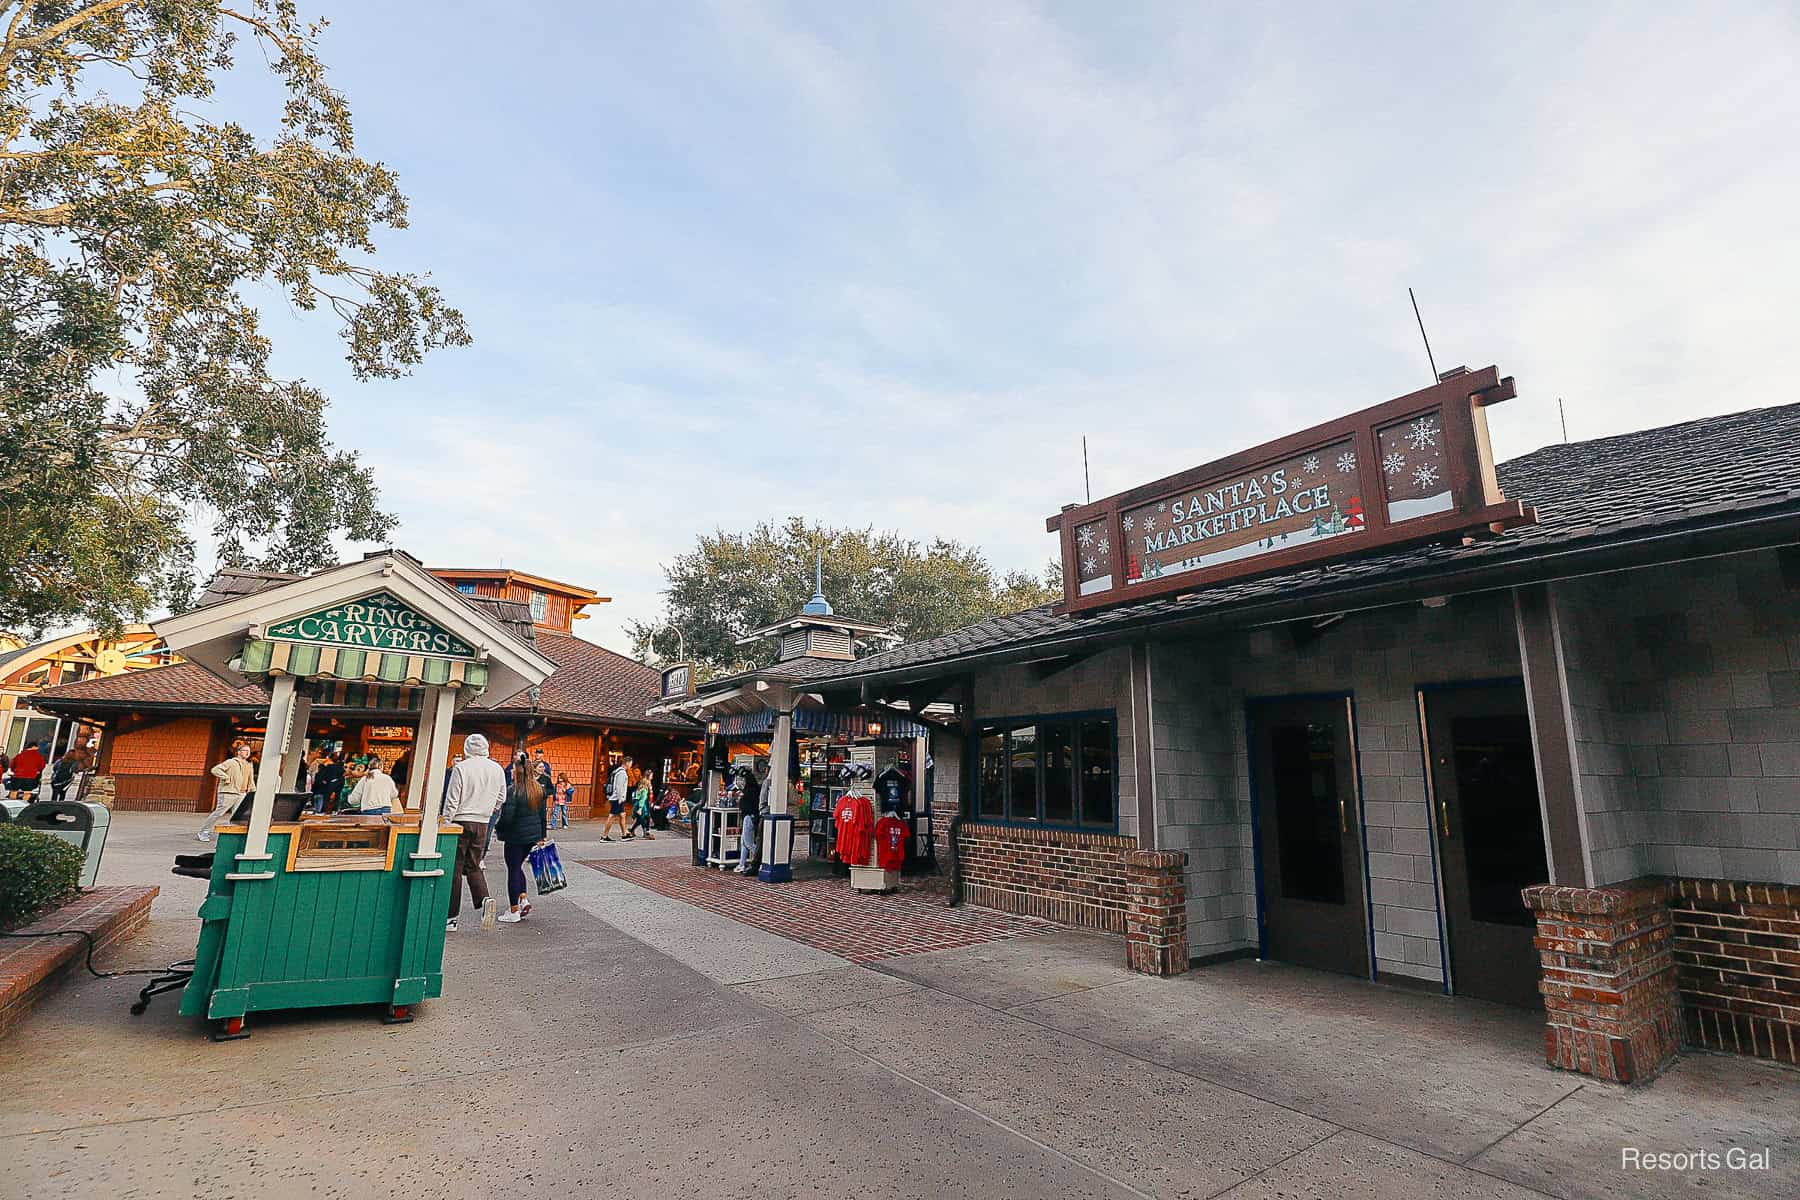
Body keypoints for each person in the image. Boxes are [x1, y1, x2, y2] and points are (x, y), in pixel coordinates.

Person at [441, 733, 505, 932]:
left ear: (467, 748)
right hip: (483, 821)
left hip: (461, 819)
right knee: (474, 864)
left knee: (455, 867)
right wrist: (489, 808)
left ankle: (451, 918)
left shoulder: (461, 768)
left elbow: (452, 799)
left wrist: (445, 821)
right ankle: (484, 899)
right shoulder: (497, 769)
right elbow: (502, 796)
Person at [494, 754, 548, 924]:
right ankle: (523, 898)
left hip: (515, 836)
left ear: (517, 772)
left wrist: (498, 828)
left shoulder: (513, 791)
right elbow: (542, 815)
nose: (510, 770)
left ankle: (514, 910)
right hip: (532, 836)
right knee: (517, 867)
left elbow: (507, 818)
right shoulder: (538, 789)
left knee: (513, 870)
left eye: (513, 768)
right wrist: (542, 835)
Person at [199, 740, 254, 841]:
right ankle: (204, 832)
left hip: (242, 793)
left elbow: (251, 780)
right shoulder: (231, 762)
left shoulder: (249, 765)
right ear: (239, 752)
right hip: (228, 792)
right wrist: (226, 777)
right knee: (219, 813)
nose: (247, 753)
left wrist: (253, 791)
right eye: (245, 750)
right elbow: (215, 769)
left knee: (237, 815)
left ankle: (233, 834)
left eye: (248, 751)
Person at [733, 765, 762, 874]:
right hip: (753, 816)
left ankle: (761, 859)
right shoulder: (756, 789)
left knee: (748, 842)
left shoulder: (749, 791)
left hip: (748, 817)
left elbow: (745, 805)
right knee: (744, 842)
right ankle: (742, 863)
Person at [602, 755, 631, 841]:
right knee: (612, 816)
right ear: (627, 763)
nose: (631, 765)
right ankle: (604, 836)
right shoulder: (622, 773)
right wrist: (620, 798)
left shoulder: (617, 771)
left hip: (616, 797)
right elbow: (619, 786)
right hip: (617, 798)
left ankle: (624, 834)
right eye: (631, 763)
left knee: (622, 815)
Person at [309, 749, 344, 814]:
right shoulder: (338, 769)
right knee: (321, 811)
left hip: (319, 792)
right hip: (325, 793)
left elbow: (316, 780)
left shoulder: (323, 767)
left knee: (318, 811)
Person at [627, 770, 656, 840]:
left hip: (643, 803)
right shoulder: (645, 787)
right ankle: (646, 833)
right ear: (648, 776)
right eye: (651, 775)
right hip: (642, 804)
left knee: (642, 818)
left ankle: (632, 830)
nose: (652, 777)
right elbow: (643, 798)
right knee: (643, 818)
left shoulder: (643, 784)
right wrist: (640, 808)